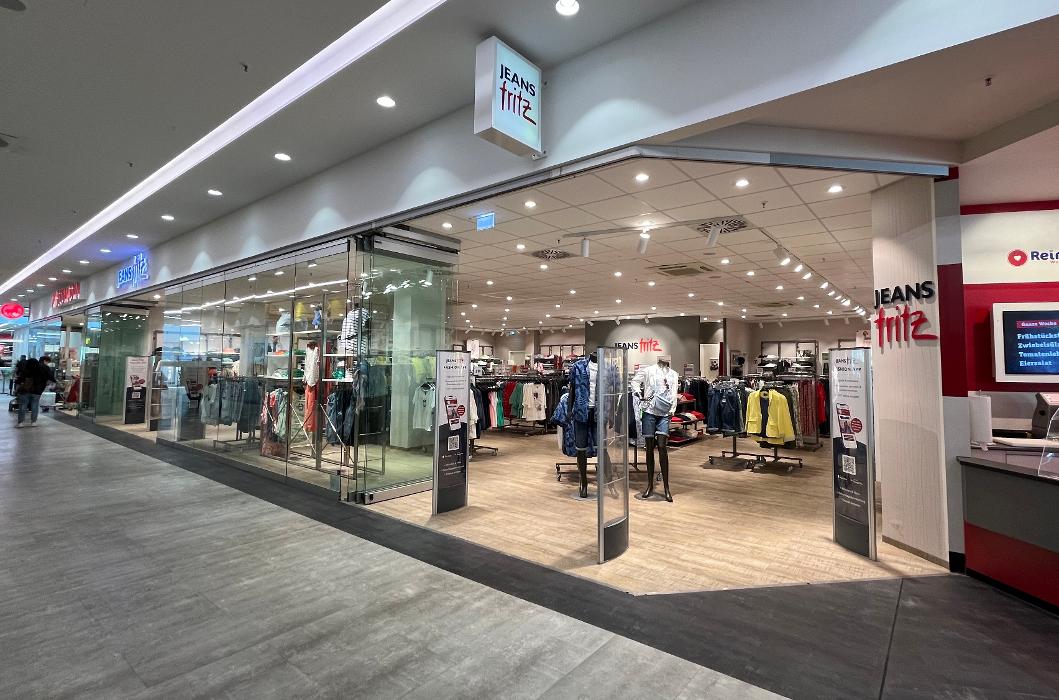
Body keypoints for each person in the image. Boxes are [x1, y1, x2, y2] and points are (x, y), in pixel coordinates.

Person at [15, 357, 50, 427]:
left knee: (23, 405)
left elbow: (19, 380)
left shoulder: (25, 371)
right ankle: (33, 422)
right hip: (36, 391)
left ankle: (20, 423)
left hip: (25, 390)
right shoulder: (40, 371)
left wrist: (17, 389)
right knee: (35, 406)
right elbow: (45, 381)